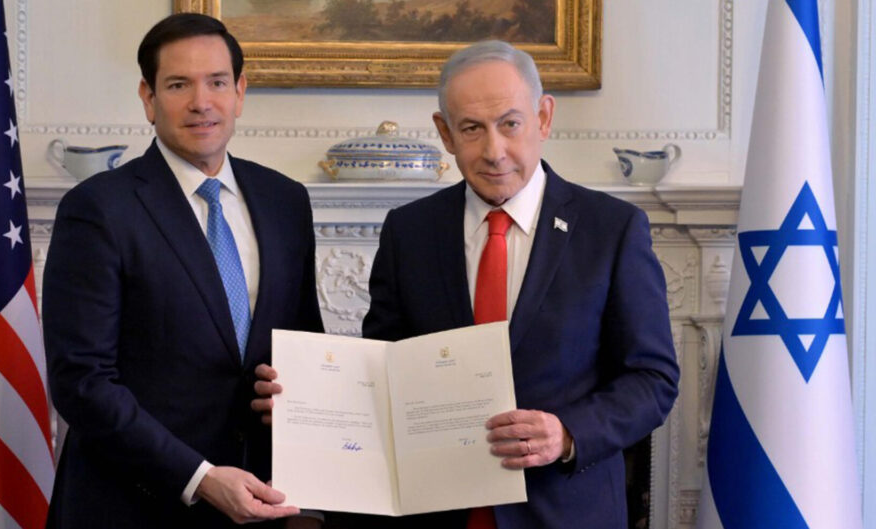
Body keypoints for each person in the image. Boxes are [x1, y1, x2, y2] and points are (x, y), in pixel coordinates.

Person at [254, 40, 679, 529]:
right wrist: (308, 401)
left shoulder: (612, 229)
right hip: (437, 512)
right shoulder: (409, 231)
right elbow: (385, 374)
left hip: (564, 511)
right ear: (446, 133)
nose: (494, 151)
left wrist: (567, 434)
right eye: (472, 129)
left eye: (510, 124)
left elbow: (653, 379)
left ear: (543, 118)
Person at [42, 13, 323, 528]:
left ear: (239, 91)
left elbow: (305, 347)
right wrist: (200, 477)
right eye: (178, 85)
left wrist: (313, 494)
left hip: (262, 503)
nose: (201, 102)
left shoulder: (286, 201)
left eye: (217, 82)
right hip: (132, 506)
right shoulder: (98, 208)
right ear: (148, 98)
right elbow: (81, 381)